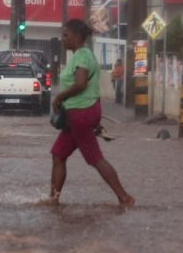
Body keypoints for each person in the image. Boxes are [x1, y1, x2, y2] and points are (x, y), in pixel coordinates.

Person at [48, 19, 135, 207]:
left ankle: (124, 197)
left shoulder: (82, 56)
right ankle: (53, 200)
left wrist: (59, 97)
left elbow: (81, 84)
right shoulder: (80, 55)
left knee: (95, 158)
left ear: (77, 37)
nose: (62, 40)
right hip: (77, 115)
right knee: (58, 154)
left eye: (66, 35)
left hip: (81, 113)